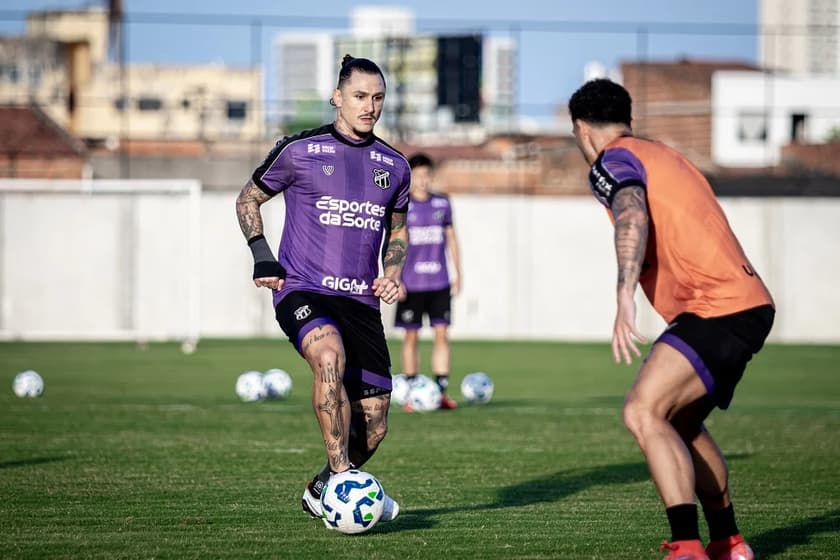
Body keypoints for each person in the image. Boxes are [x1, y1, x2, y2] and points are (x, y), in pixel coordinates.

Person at [568, 78, 775, 560]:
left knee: (642, 411)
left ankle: (686, 546)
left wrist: (624, 294)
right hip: (747, 304)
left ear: (581, 129)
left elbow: (631, 213)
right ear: (630, 120)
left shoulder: (612, 159)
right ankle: (729, 542)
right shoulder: (664, 154)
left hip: (716, 305)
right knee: (678, 420)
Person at [235, 54, 410, 527]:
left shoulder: (394, 167)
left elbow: (397, 231)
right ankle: (341, 475)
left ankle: (321, 490)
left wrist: (392, 271)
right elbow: (248, 198)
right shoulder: (299, 151)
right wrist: (261, 253)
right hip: (302, 288)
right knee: (328, 355)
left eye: (377, 98)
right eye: (359, 96)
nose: (369, 106)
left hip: (361, 303)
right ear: (337, 97)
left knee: (373, 424)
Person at [394, 153, 462, 411]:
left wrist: (459, 273)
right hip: (411, 283)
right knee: (411, 337)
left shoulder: (443, 204)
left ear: (431, 176)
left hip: (439, 281)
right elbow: (395, 242)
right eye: (418, 176)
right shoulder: (403, 205)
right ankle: (412, 393)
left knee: (442, 334)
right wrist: (395, 278)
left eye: (426, 175)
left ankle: (441, 392)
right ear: (411, 178)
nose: (422, 181)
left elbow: (452, 239)